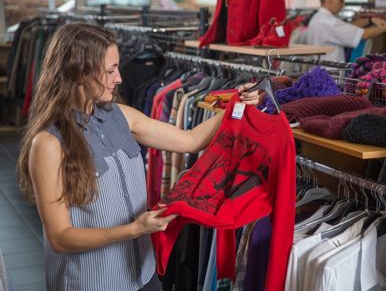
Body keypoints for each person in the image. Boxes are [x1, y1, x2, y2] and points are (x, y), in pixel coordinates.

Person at [16, 23, 260, 291]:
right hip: (92, 283)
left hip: (142, 276)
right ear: (78, 72)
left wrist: (236, 104)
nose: (119, 78)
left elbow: (190, 141)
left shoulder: (121, 115)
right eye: (110, 70)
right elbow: (60, 237)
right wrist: (134, 229)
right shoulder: (48, 144)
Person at [301, 0, 386, 61]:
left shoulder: (317, 18)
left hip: (320, 71)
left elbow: (347, 26)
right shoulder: (330, 23)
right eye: (341, 0)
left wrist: (370, 19)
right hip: (330, 74)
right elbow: (364, 34)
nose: (343, 4)